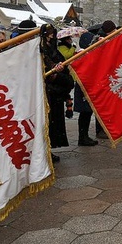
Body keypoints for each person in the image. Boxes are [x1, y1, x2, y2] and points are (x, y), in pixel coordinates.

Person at [40, 24, 73, 163]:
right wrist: (53, 71)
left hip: (57, 91)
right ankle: (44, 151)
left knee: (54, 123)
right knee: (46, 122)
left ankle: (49, 149)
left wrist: (60, 68)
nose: (52, 35)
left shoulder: (53, 48)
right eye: (49, 33)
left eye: (53, 33)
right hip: (47, 91)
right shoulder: (41, 49)